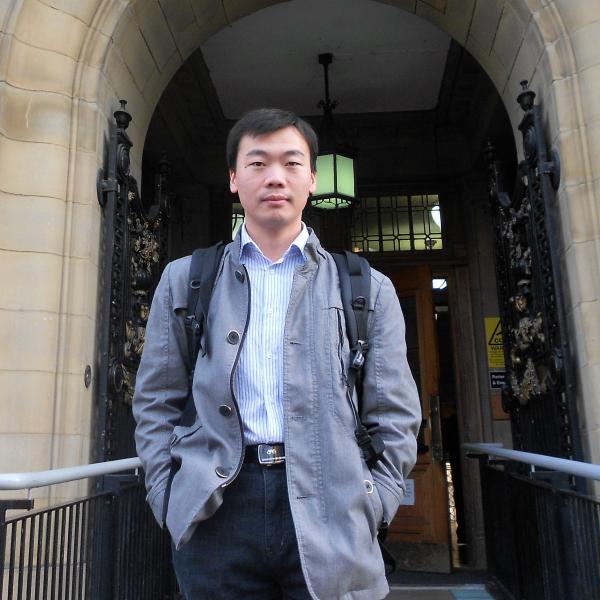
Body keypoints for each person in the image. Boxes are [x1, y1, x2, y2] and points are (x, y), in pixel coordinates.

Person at [133, 108, 421, 600]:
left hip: (335, 507)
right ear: (233, 179)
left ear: (312, 178)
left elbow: (394, 411)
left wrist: (378, 499)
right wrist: (166, 495)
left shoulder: (366, 289)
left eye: (291, 163)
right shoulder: (187, 280)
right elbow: (156, 399)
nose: (274, 177)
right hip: (217, 508)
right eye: (258, 163)